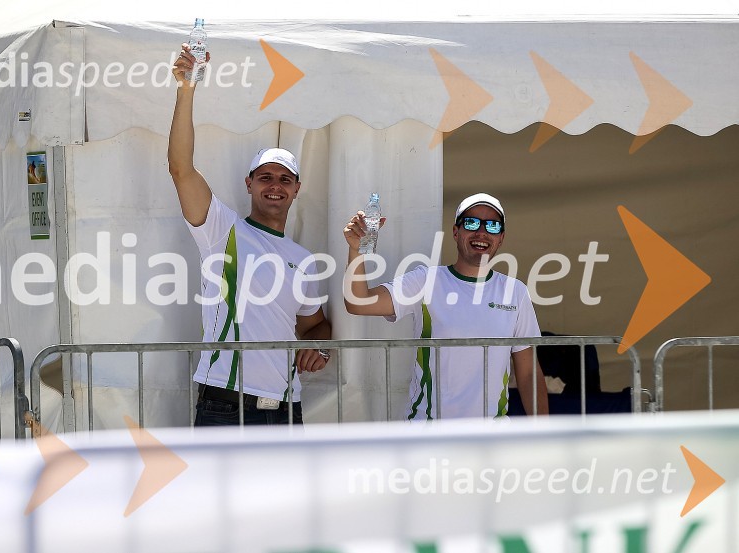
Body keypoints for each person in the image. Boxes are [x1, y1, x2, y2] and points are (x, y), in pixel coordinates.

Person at [169, 44, 331, 426]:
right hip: (226, 404)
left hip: (287, 408)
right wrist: (186, 89)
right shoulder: (221, 228)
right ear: (249, 184)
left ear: (296, 189)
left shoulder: (304, 259)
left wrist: (320, 345)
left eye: (284, 179)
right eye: (265, 177)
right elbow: (180, 168)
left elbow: (314, 324)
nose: (275, 186)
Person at [342, 193, 548, 419]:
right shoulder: (425, 281)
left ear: (501, 238)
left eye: (492, 225)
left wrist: (544, 433)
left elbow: (528, 373)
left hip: (490, 441)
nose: (481, 232)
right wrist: (356, 249)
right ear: (455, 232)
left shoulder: (516, 292)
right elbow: (358, 302)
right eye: (471, 222)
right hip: (431, 436)